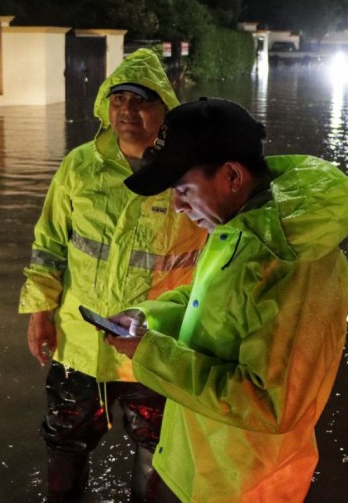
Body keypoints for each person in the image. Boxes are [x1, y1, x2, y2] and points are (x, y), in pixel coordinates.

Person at [104, 98, 348, 502]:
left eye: (184, 190)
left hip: (248, 484)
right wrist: (147, 318)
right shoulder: (242, 228)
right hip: (206, 461)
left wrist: (152, 353)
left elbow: (269, 404)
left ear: (231, 175)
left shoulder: (292, 262)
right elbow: (208, 303)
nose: (178, 206)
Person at [18, 49, 207, 502]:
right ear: (105, 106)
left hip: (154, 347)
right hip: (80, 345)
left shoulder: (186, 176)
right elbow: (49, 244)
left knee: (158, 449)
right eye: (118, 100)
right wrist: (40, 310)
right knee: (65, 440)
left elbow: (211, 265)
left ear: (164, 109)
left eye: (141, 101)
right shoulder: (79, 166)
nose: (127, 111)